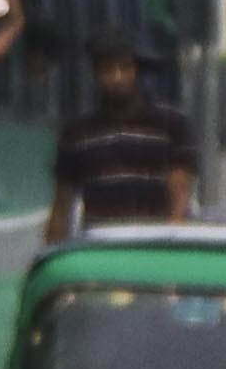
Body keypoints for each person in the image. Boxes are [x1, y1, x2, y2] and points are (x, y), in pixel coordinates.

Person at [51, 33, 200, 239]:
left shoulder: (170, 125)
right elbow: (61, 207)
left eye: (125, 68)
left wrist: (172, 239)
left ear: (135, 71)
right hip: (101, 246)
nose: (117, 77)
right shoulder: (77, 135)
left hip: (154, 245)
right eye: (108, 70)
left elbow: (180, 194)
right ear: (96, 75)